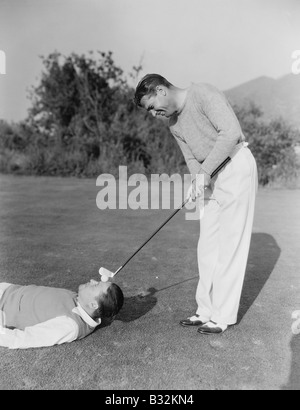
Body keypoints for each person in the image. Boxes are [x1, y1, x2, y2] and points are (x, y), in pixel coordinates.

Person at [134, 74, 258, 335]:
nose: (154, 114)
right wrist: (197, 180)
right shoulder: (174, 123)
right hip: (211, 175)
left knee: (230, 245)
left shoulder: (202, 93)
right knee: (207, 245)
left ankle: (222, 316)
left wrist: (204, 173)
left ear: (161, 90)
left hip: (236, 166)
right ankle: (205, 310)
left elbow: (230, 133)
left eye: (152, 106)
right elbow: (190, 156)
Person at [0, 279, 124, 349]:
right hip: (7, 289)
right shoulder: (79, 299)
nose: (92, 280)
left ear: (93, 305)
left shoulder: (71, 325)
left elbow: (26, 338)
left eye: (95, 285)